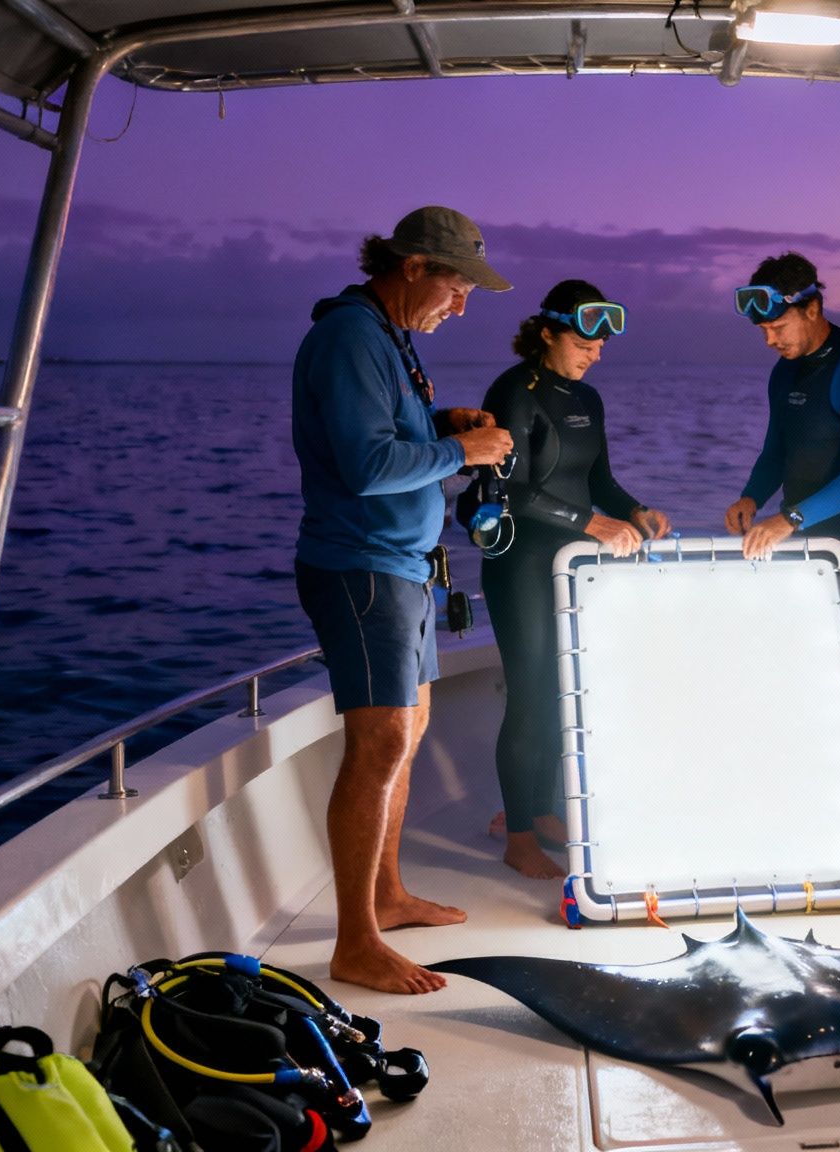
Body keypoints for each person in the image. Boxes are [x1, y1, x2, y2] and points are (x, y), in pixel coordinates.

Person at [291, 205, 515, 994]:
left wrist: (438, 419)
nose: (461, 307)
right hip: (362, 568)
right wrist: (463, 449)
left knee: (410, 731)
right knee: (381, 742)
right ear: (413, 266)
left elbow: (391, 432)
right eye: (457, 289)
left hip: (406, 568)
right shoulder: (352, 337)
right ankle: (355, 941)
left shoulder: (388, 337)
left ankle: (385, 894)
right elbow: (363, 467)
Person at [479, 280, 670, 879]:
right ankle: (515, 835)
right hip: (521, 566)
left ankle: (541, 811)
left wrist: (635, 510)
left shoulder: (589, 399)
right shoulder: (515, 392)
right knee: (530, 692)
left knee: (566, 692)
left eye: (602, 343)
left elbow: (600, 481)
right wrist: (594, 524)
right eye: (585, 340)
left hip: (574, 568)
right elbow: (513, 490)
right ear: (547, 332)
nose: (596, 352)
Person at [723, 253, 840, 658]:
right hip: (795, 549)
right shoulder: (783, 371)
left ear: (813, 308)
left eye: (778, 327)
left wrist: (787, 519)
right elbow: (775, 452)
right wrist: (751, 497)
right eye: (764, 330)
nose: (770, 340)